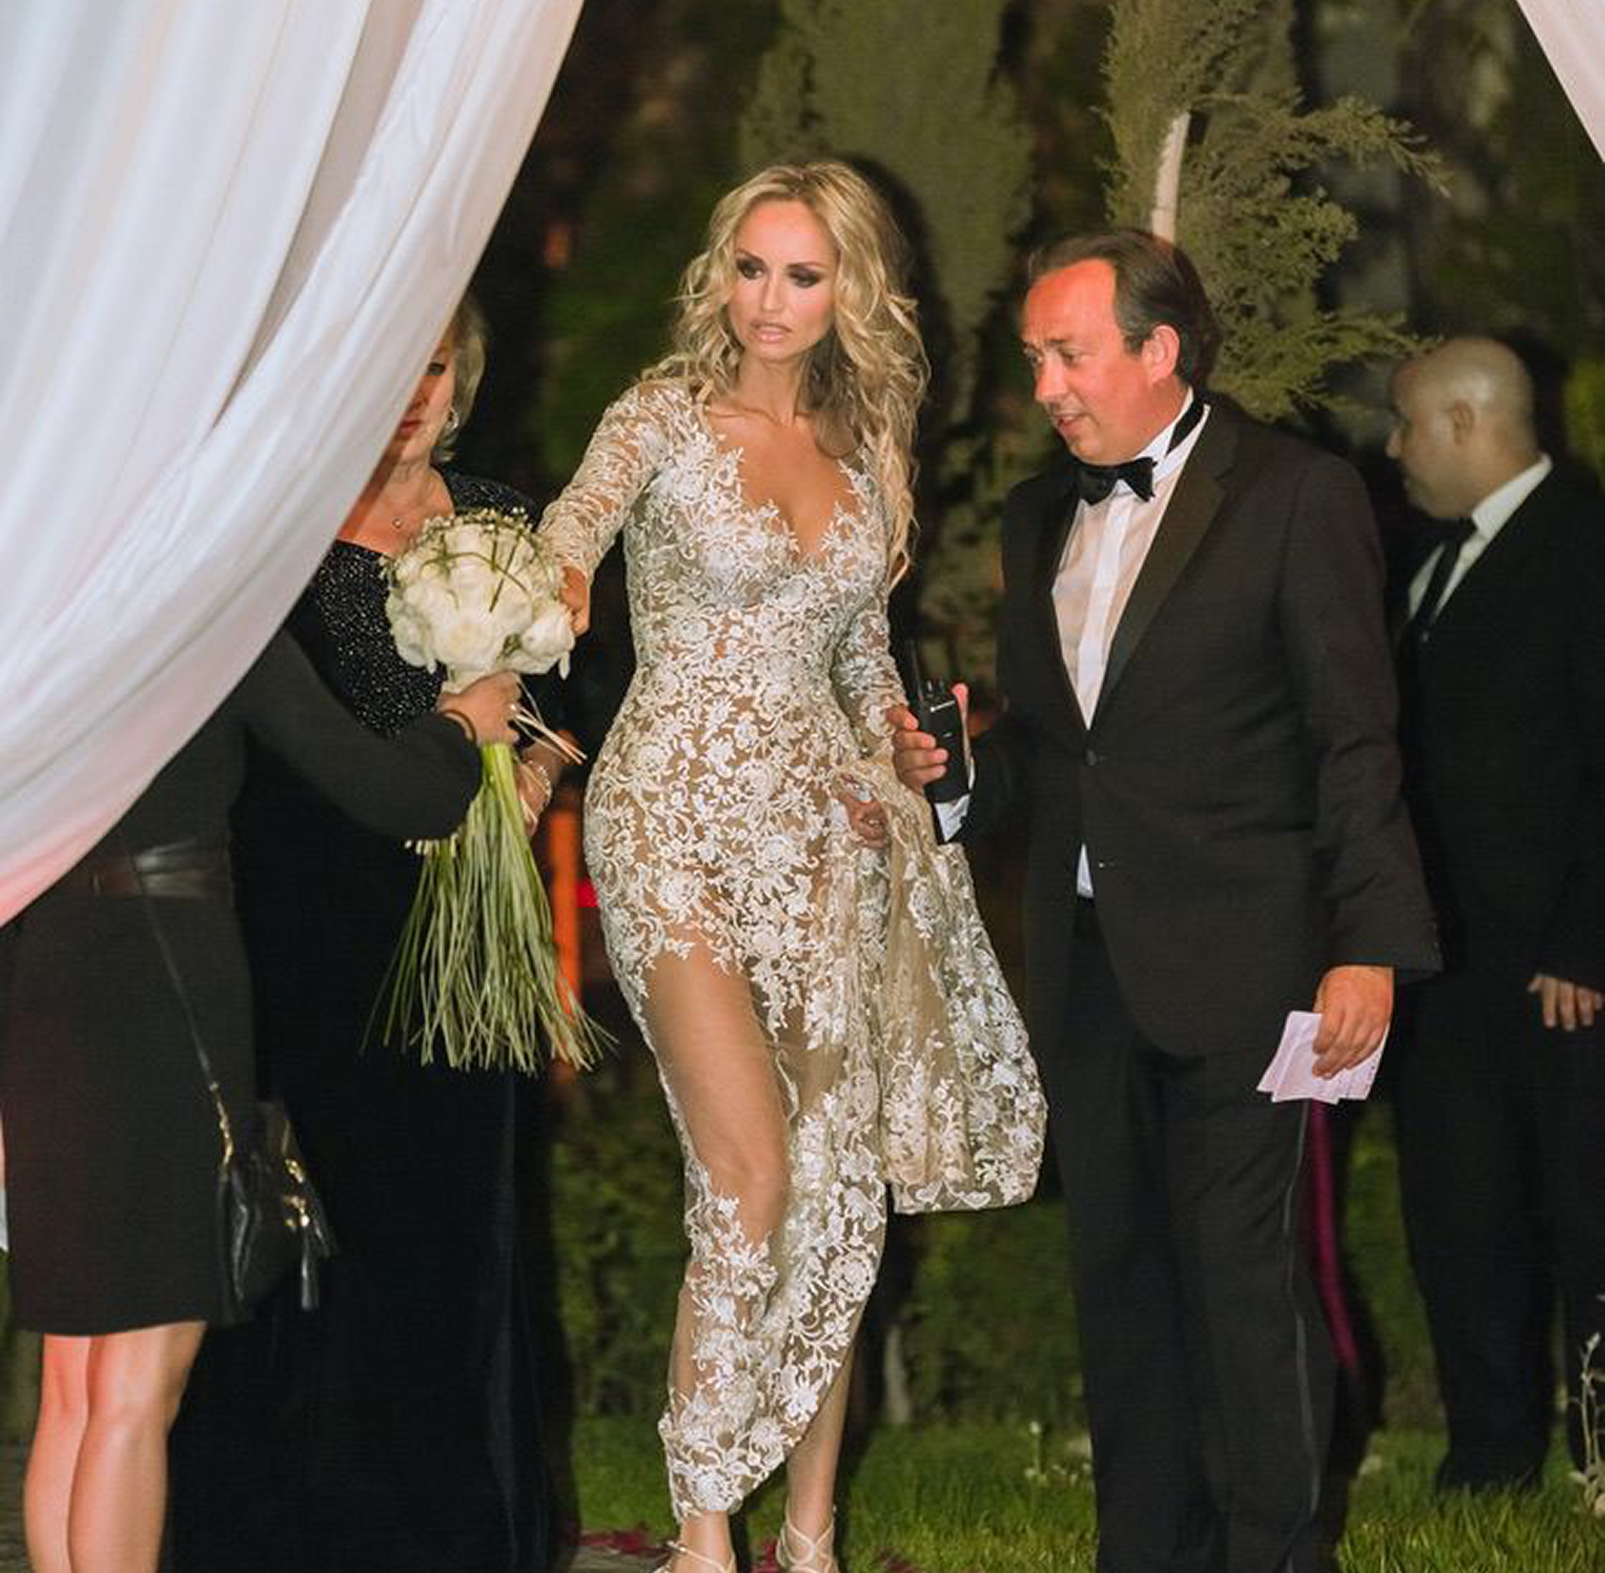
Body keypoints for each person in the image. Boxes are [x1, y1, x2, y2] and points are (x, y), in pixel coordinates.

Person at [891, 229, 1439, 1573]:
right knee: (1122, 1291)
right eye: (1035, 359)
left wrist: (1366, 944)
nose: (1046, 388)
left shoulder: (1296, 498)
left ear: (1159, 351)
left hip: (1255, 968)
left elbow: (1355, 739)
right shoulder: (1038, 521)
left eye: (1065, 355)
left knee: (1249, 1292)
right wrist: (956, 772)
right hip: (1086, 972)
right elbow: (1053, 752)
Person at [538, 160, 1044, 1573]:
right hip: (675, 824)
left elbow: (860, 654)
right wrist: (534, 604)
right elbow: (570, 542)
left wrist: (903, 749)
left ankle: (807, 1537)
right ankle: (706, 1534)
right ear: (721, 272)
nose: (769, 301)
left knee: (835, 1186)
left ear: (849, 291)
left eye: (802, 275)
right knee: (750, 1176)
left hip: (831, 831)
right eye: (751, 268)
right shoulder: (656, 416)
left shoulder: (869, 440)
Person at [169, 299, 576, 1573]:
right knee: (313, 1229)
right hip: (315, 924)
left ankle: (453, 1531)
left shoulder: (502, 512)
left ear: (465, 375)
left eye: (437, 362)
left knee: (456, 1227)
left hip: (468, 924)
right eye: (386, 366)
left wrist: (539, 767)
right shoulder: (282, 534)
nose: (411, 391)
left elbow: (565, 699)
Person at [0, 631, 516, 1573]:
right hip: (164, 992)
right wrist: (462, 724)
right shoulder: (215, 619)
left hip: (48, 984)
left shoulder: (52, 628)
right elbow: (400, 792)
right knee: (135, 1388)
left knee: (76, 1383)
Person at [1384, 336, 1605, 1489]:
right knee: (1461, 1218)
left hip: (1560, 971)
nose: (1393, 447)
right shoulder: (1431, 560)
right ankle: (1489, 1454)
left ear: (1465, 423)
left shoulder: (1584, 546)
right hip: (1441, 966)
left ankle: (1599, 1449)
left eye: (1406, 423)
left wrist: (1587, 939)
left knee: (1585, 1213)